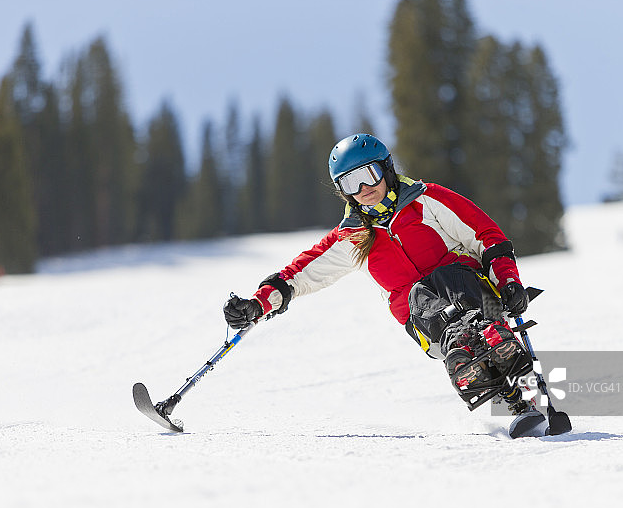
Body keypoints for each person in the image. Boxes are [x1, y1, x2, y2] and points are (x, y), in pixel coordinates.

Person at [223, 133, 535, 416]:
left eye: (368, 176)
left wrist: (509, 282)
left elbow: (487, 237)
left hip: (481, 301)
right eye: (350, 183)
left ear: (385, 170)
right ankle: (469, 359)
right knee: (419, 294)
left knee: (447, 276)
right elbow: (300, 275)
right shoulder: (354, 236)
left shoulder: (426, 200)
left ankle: (494, 348)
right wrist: (258, 304)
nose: (363, 190)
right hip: (429, 325)